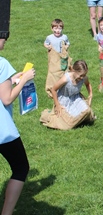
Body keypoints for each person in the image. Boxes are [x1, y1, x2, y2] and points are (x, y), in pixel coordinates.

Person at [0, 38, 35, 215]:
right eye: (2, 36)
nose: (5, 40)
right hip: (2, 130)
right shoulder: (1, 63)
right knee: (21, 168)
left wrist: (12, 79)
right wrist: (24, 80)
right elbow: (6, 98)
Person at [40, 60, 96, 130]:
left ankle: (77, 120)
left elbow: (88, 84)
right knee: (67, 125)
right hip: (64, 101)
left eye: (84, 75)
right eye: (81, 75)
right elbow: (53, 89)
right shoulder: (66, 79)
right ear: (74, 71)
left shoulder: (84, 78)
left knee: (87, 111)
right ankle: (47, 115)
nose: (82, 77)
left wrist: (90, 95)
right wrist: (57, 105)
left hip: (76, 99)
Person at [44, 19, 71, 97]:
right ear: (52, 29)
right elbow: (45, 43)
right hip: (53, 57)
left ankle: (63, 86)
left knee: (63, 70)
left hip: (61, 57)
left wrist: (66, 47)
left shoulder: (64, 37)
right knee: (53, 71)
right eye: (55, 28)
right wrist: (47, 46)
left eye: (59, 28)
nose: (57, 31)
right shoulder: (49, 37)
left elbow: (68, 43)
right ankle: (52, 87)